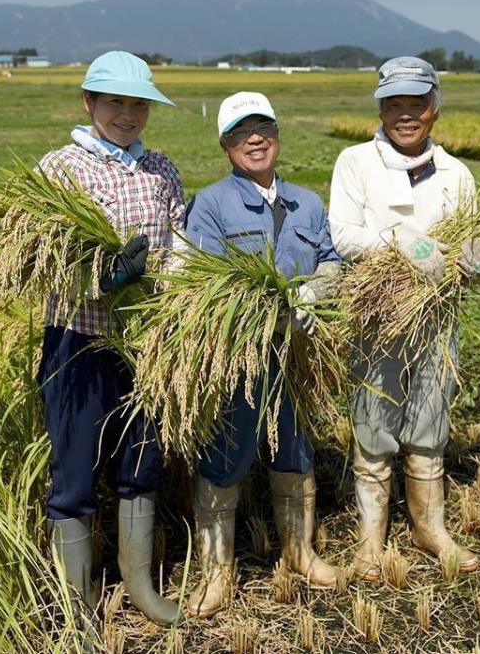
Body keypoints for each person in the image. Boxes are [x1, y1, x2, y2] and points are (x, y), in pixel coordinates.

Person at [328, 56, 480, 579]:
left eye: (416, 104)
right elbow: (342, 235)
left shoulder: (456, 172)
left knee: (430, 420)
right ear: (380, 108)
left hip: (437, 317)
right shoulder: (355, 162)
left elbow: (470, 241)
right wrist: (403, 243)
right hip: (377, 316)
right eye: (394, 104)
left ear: (434, 108)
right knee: (373, 423)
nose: (406, 114)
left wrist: (477, 258)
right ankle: (370, 541)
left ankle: (430, 530)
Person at [36, 51, 185, 627]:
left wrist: (172, 291)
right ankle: (77, 602)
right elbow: (41, 260)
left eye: (138, 104)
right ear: (89, 103)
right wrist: (102, 280)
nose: (127, 114)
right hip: (80, 339)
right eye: (115, 102)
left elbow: (178, 245)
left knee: (141, 460)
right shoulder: (61, 168)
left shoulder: (162, 169)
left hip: (148, 343)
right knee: (73, 470)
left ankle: (140, 585)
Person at [182, 92, 341, 617]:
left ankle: (300, 552)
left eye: (264, 128)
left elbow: (332, 258)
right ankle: (217, 573)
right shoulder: (210, 203)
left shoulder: (307, 202)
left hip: (296, 351)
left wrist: (320, 286)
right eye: (243, 131)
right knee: (225, 454)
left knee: (294, 451)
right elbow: (199, 276)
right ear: (226, 145)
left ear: (277, 136)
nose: (256, 138)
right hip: (238, 357)